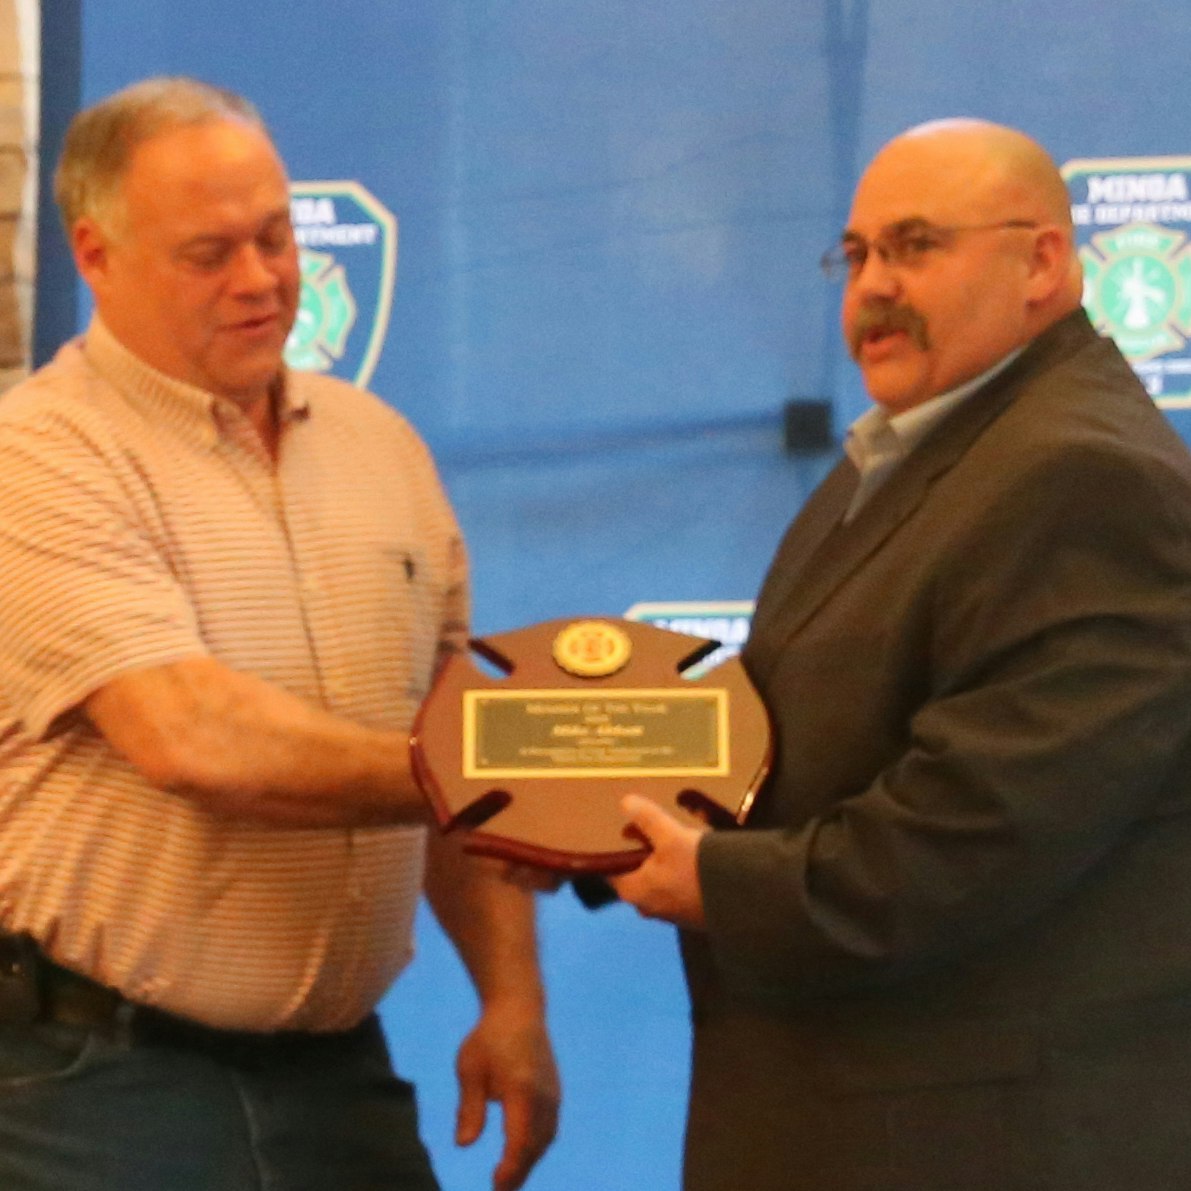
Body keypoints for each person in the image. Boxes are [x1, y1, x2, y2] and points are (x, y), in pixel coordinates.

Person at [610, 118, 1191, 1190]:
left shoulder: (1082, 478)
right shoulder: (906, 458)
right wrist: (595, 805)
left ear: (1043, 263)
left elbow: (974, 836)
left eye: (916, 246)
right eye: (858, 253)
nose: (874, 285)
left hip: (977, 1147)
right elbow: (801, 754)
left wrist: (718, 883)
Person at [0, 77, 558, 1191]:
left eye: (275, 235)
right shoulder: (38, 457)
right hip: (95, 1085)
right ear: (95, 255)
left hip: (339, 1074)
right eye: (209, 253)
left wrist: (513, 998)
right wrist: (500, 767)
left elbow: (449, 732)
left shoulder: (382, 444)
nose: (262, 280)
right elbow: (193, 738)